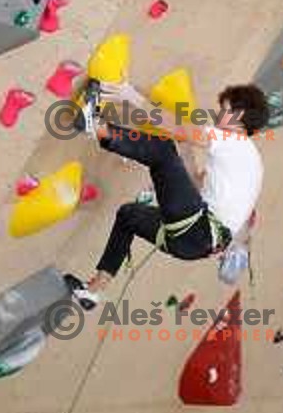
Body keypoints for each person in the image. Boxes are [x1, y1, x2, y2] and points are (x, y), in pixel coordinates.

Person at [64, 82, 269, 310]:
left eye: (224, 110)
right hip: (194, 246)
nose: (218, 114)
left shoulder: (233, 140)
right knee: (128, 216)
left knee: (162, 151)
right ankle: (91, 291)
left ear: (238, 116)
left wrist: (133, 97)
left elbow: (180, 130)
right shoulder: (250, 161)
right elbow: (193, 182)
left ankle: (93, 125)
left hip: (199, 229)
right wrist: (175, 169)